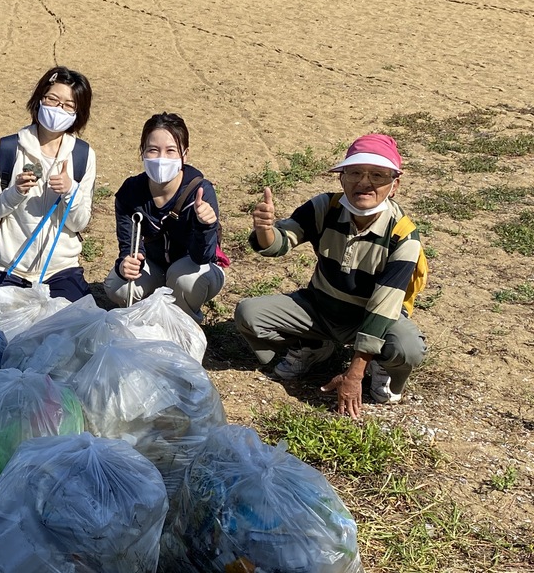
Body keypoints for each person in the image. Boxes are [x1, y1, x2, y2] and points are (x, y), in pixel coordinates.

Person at [234, 134, 427, 418]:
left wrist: (354, 375)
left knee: (407, 347)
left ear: (394, 185)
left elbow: (382, 310)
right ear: (341, 178)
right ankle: (315, 346)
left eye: (377, 175)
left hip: (371, 319)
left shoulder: (403, 236)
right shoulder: (325, 207)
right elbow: (281, 242)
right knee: (249, 313)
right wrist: (265, 230)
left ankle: (381, 367)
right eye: (355, 173)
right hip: (321, 308)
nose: (364, 182)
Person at [0, 66, 97, 316]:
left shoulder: (83, 155)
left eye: (68, 105)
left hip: (60, 271)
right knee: (1, 340)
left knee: (70, 338)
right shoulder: (10, 148)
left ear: (78, 112)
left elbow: (79, 223)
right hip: (8, 269)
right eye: (52, 100)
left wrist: (70, 191)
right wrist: (14, 193)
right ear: (39, 99)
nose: (58, 109)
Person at [103, 113, 227, 320]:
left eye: (171, 151)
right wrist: (126, 264)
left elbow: (202, 257)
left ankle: (185, 325)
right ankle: (151, 313)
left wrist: (206, 225)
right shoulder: (130, 192)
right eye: (153, 150)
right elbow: (129, 246)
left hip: (195, 268)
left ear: (184, 155)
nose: (162, 158)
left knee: (184, 280)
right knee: (118, 287)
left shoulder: (200, 192)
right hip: (156, 266)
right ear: (142, 152)